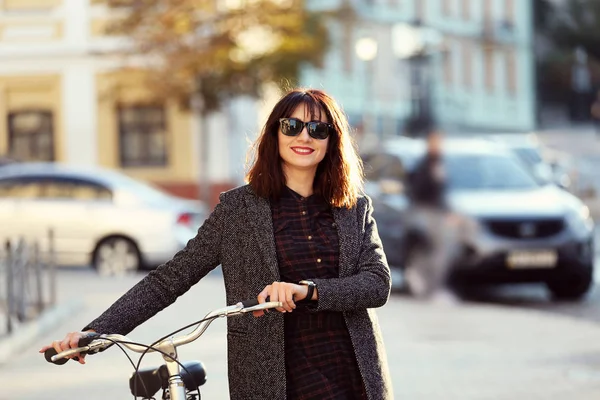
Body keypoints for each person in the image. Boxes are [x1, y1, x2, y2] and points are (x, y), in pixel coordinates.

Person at [40, 88, 393, 400]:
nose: (305, 136)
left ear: (332, 141)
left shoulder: (353, 208)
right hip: (273, 377)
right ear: (275, 133)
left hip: (351, 371)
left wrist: (308, 291)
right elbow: (170, 279)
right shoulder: (238, 210)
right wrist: (96, 332)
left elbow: (377, 284)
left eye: (318, 129)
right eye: (292, 126)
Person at [405, 127, 457, 302]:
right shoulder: (424, 165)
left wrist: (448, 211)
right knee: (433, 249)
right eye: (435, 141)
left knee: (441, 250)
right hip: (426, 213)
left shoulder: (439, 162)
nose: (438, 145)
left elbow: (443, 192)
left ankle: (433, 286)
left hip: (438, 213)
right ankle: (429, 287)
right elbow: (417, 191)